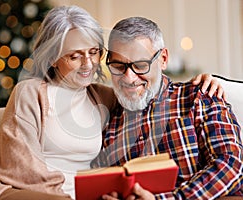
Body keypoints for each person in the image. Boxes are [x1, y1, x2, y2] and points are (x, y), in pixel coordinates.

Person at [0, 6, 226, 200]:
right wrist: (64, 193)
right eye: (75, 56)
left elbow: (148, 95)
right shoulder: (30, 92)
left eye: (94, 52)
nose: (87, 65)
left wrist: (199, 81)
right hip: (28, 191)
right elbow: (17, 163)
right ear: (52, 57)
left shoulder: (105, 96)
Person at [91, 16, 243, 200]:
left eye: (140, 65)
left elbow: (231, 165)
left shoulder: (200, 97)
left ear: (163, 59)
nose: (129, 78)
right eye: (118, 65)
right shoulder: (109, 124)